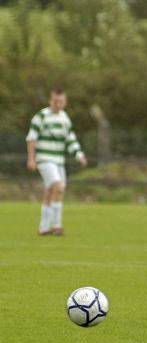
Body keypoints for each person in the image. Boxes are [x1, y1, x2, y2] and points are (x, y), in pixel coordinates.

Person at [26, 88, 88, 235]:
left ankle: (43, 228)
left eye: (61, 101)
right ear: (50, 100)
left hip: (58, 161)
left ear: (65, 102)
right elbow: (31, 138)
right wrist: (31, 159)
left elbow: (70, 139)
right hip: (45, 159)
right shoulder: (41, 116)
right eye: (55, 101)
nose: (58, 104)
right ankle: (57, 226)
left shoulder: (64, 118)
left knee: (51, 191)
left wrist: (79, 155)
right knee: (58, 187)